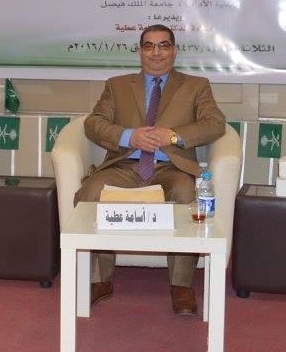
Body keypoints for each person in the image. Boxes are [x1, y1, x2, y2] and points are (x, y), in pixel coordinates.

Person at [73, 24, 226, 316]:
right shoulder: (117, 85)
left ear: (174, 51)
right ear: (140, 51)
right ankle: (99, 279)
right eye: (149, 46)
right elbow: (94, 123)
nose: (156, 52)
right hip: (125, 164)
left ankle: (181, 285)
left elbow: (215, 124)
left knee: (184, 192)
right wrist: (129, 136)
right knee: (91, 191)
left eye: (164, 45)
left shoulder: (196, 86)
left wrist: (174, 136)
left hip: (171, 167)